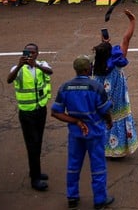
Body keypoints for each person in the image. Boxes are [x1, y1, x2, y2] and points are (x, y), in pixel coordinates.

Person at [51, 56, 114, 210]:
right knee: (98, 167)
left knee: (73, 165)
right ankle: (100, 200)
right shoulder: (96, 87)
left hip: (76, 134)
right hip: (95, 133)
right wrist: (109, 121)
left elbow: (55, 112)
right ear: (88, 69)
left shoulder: (65, 87)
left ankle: (72, 197)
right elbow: (105, 110)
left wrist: (76, 122)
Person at [7, 42, 53, 192]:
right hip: (26, 113)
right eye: (27, 52)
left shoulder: (41, 65)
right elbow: (9, 79)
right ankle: (35, 179)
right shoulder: (18, 68)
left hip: (40, 109)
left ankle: (36, 172)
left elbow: (49, 71)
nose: (30, 55)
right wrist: (20, 65)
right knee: (32, 144)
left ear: (37, 53)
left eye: (33, 52)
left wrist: (37, 65)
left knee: (38, 142)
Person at [92, 10, 138, 157]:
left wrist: (103, 44)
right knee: (119, 121)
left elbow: (102, 53)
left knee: (106, 121)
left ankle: (107, 150)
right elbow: (126, 39)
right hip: (119, 103)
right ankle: (119, 150)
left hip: (104, 104)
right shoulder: (117, 64)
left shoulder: (95, 67)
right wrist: (132, 21)